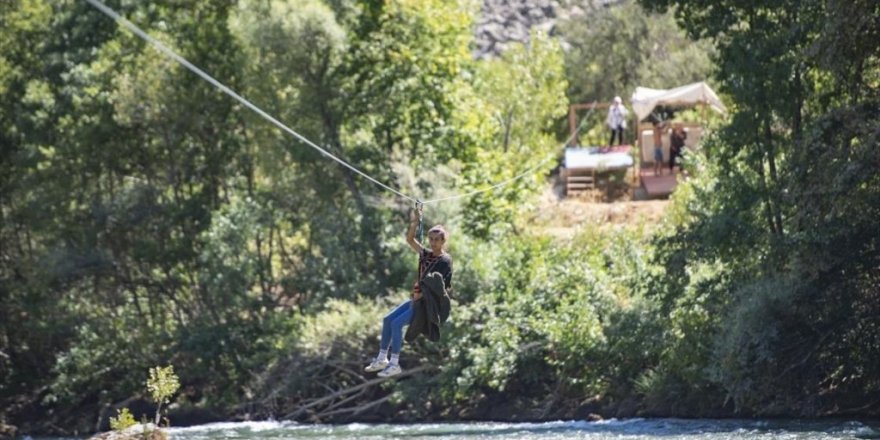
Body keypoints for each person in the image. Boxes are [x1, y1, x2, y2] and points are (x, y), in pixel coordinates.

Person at [364, 205, 453, 378]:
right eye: (431, 239)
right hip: (416, 299)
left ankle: (394, 363)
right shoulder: (426, 254)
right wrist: (416, 221)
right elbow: (410, 240)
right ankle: (382, 358)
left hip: (427, 304)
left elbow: (442, 284)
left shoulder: (445, 260)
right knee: (388, 319)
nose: (433, 242)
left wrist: (424, 290)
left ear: (443, 241)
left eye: (437, 239)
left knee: (397, 324)